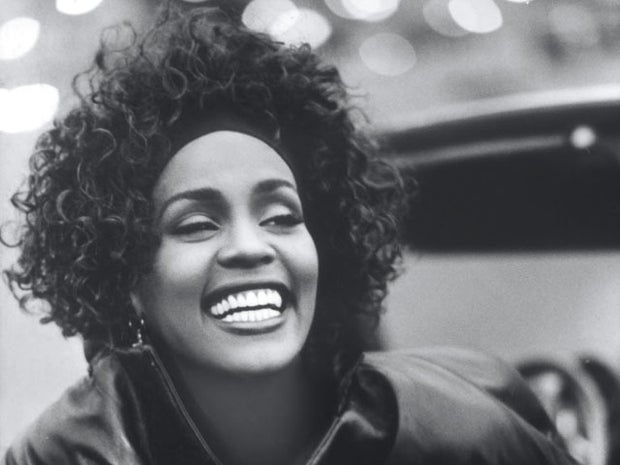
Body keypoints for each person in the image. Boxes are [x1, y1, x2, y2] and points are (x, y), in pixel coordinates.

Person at [2, 5, 575, 465]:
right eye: (197, 224)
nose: (252, 247)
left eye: (281, 217)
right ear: (125, 275)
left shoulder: (462, 431)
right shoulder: (67, 455)